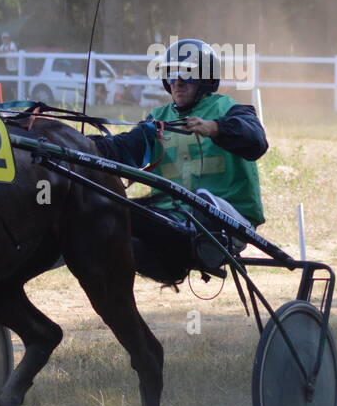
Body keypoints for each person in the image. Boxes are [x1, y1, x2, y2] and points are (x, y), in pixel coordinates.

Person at [92, 38, 268, 284]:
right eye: (172, 76)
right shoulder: (158, 119)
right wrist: (79, 145)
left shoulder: (231, 110)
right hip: (172, 221)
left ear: (206, 80)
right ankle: (166, 264)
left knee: (203, 200)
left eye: (187, 75)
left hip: (227, 224)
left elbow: (257, 143)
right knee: (111, 214)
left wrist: (215, 128)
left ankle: (181, 245)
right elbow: (121, 148)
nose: (178, 83)